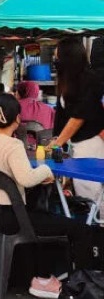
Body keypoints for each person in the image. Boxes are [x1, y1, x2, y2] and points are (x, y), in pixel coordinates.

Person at [0, 93, 102, 299]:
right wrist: (47, 171)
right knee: (80, 229)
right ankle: (82, 291)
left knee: (42, 215)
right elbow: (28, 179)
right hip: (14, 220)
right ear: (18, 119)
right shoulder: (13, 146)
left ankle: (43, 278)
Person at [49, 37, 104, 203]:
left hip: (93, 142)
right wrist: (57, 139)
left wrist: (58, 142)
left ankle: (97, 226)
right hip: (79, 145)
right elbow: (62, 115)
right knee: (83, 191)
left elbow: (79, 116)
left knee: (92, 193)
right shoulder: (68, 80)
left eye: (57, 56)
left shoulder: (89, 79)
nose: (55, 59)